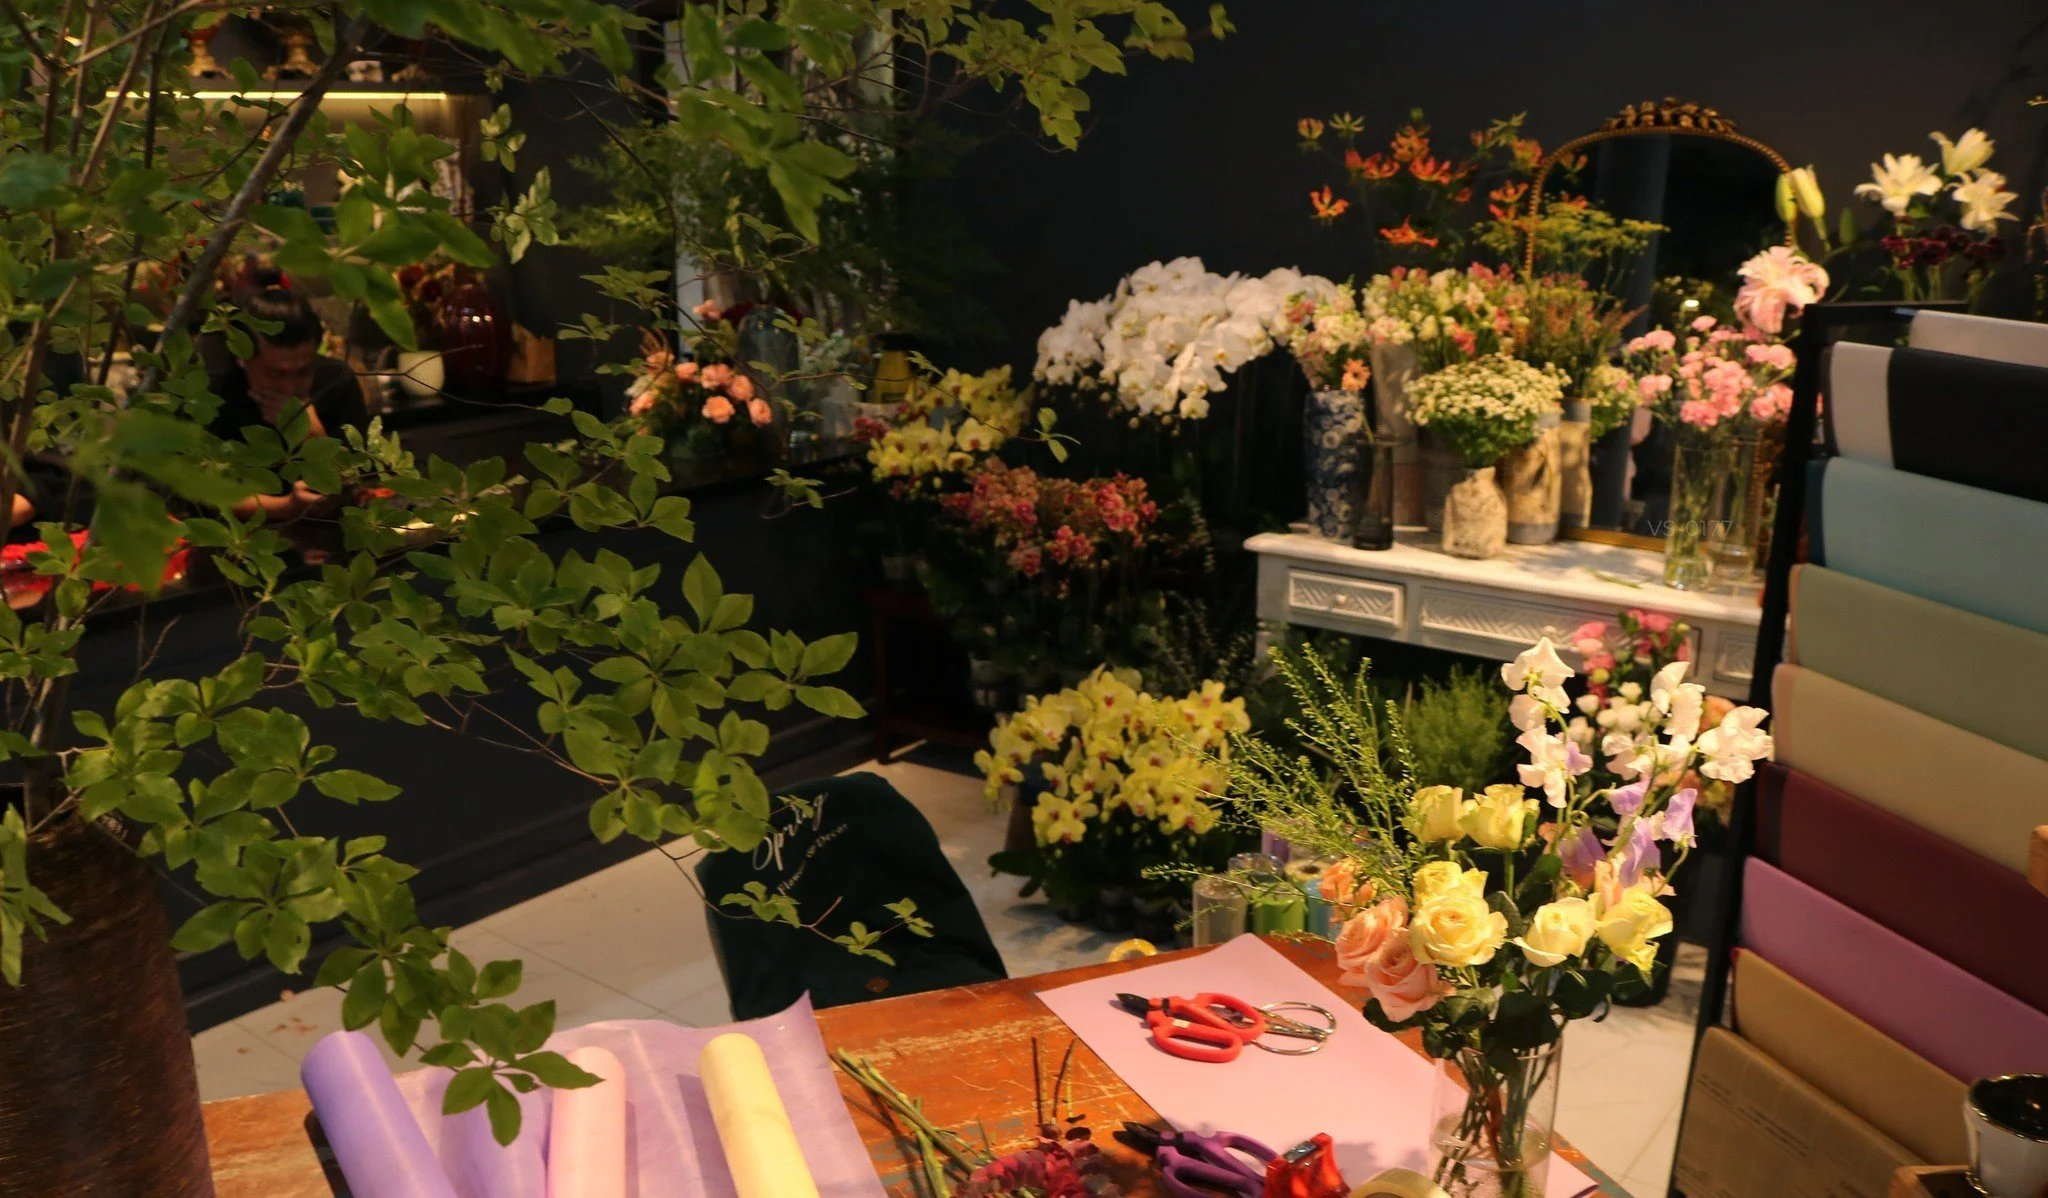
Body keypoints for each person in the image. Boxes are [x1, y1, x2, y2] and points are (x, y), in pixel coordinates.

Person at [207, 273, 368, 522]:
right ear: (243, 357)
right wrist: (287, 506)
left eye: (303, 371)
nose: (291, 386)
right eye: (275, 374)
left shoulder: (338, 381)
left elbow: (353, 482)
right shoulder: (214, 390)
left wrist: (315, 436)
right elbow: (206, 492)